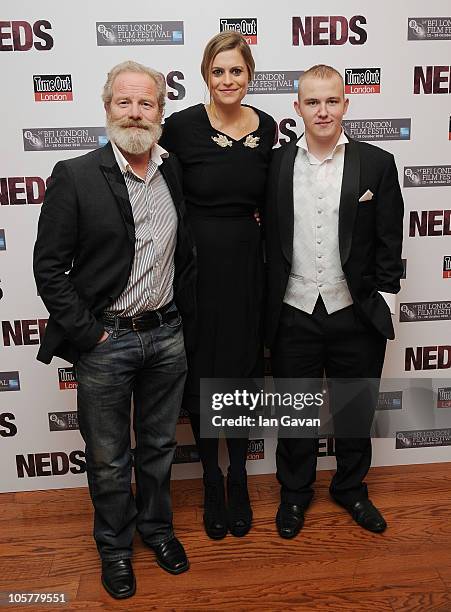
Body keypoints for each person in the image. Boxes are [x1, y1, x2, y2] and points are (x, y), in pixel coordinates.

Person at [33, 61, 196, 599]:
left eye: (146, 103)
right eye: (123, 103)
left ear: (161, 112)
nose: (135, 112)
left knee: (157, 446)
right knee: (107, 458)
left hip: (167, 337)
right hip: (107, 342)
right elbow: (48, 268)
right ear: (107, 110)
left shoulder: (173, 170)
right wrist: (89, 335)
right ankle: (115, 548)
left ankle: (156, 530)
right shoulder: (76, 175)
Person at [265, 64, 404, 538]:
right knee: (295, 410)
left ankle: (351, 489)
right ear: (297, 107)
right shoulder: (278, 163)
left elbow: (389, 245)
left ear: (346, 103)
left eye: (331, 101)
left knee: (354, 409)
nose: (322, 111)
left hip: (356, 312)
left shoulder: (377, 163)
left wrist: (382, 304)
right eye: (312, 102)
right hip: (294, 310)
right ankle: (295, 493)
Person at [159, 31, 276, 539]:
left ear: (249, 75)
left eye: (237, 71)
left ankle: (239, 478)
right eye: (217, 71)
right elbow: (153, 189)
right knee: (205, 373)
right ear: (205, 75)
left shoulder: (267, 128)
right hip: (196, 269)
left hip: (249, 267)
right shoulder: (179, 127)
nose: (227, 80)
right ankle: (210, 478)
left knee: (242, 370)